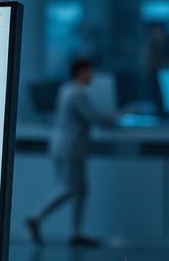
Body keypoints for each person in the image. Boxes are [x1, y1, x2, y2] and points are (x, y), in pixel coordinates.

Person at [26, 57, 115, 247]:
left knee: (80, 190)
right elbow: (96, 118)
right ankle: (36, 217)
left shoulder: (66, 89)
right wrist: (118, 116)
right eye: (89, 72)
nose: (92, 76)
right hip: (70, 148)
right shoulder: (77, 94)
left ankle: (76, 233)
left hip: (66, 147)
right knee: (70, 188)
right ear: (81, 73)